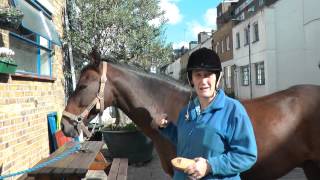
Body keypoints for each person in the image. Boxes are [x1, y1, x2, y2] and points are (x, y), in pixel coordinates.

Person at [154, 48, 257, 180]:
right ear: (191, 79)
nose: (203, 81)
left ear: (217, 78)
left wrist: (210, 166)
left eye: (208, 75)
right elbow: (183, 141)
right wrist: (166, 127)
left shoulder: (234, 110)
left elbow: (247, 155)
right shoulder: (187, 110)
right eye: (198, 75)